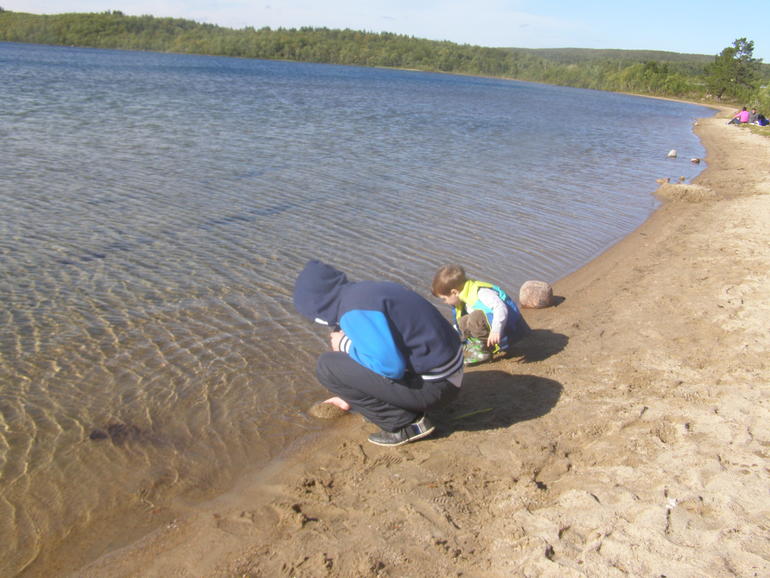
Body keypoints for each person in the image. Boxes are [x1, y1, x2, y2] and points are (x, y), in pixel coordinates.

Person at [293, 259, 464, 446]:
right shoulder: (365, 292)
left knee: (327, 366)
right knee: (352, 349)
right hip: (451, 372)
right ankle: (397, 408)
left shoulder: (352, 312)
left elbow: (391, 367)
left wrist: (344, 344)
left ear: (318, 306)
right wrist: (352, 396)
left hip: (438, 388)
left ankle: (406, 425)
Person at [431, 264, 531, 365]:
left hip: (510, 331)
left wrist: (496, 331)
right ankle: (477, 346)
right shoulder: (463, 298)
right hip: (495, 330)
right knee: (462, 320)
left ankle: (484, 352)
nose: (444, 302)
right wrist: (446, 335)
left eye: (444, 299)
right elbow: (458, 325)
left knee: (476, 317)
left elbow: (500, 308)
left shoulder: (481, 293)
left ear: (454, 292)